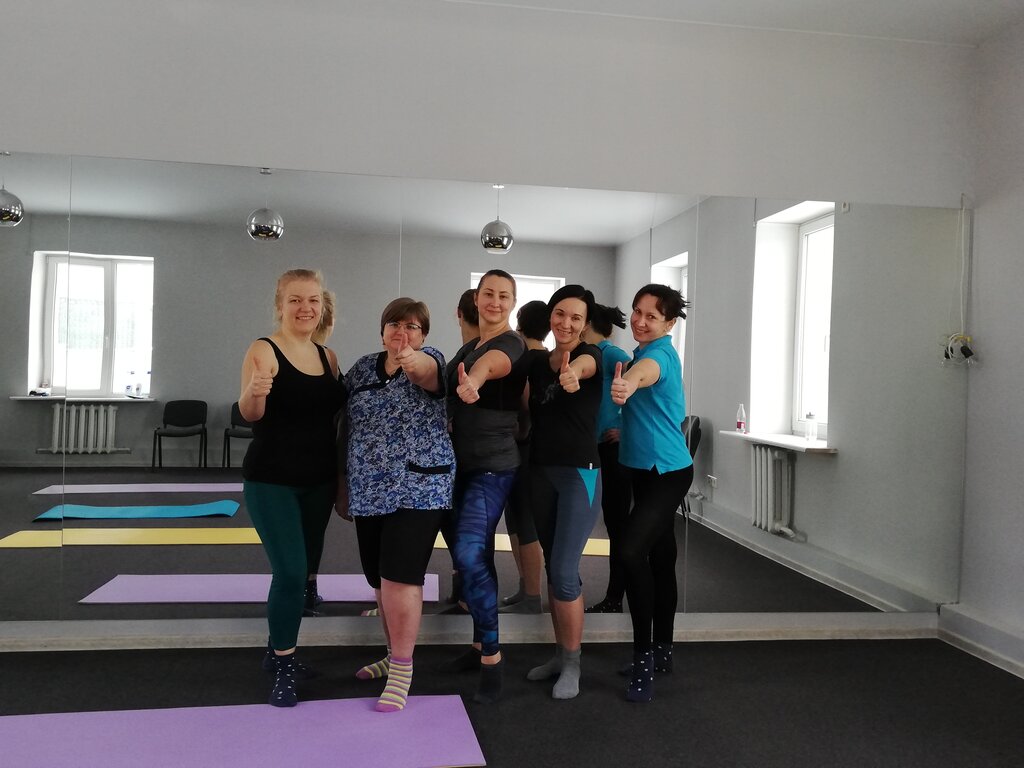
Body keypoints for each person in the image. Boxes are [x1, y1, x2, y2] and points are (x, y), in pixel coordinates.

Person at [338, 297, 454, 713]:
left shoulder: (431, 360)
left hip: (419, 487)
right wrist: (341, 484)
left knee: (401, 577)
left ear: (424, 334)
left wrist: (412, 360)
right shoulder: (361, 369)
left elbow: (426, 373)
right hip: (369, 486)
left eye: (412, 326)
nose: (402, 333)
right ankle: (392, 654)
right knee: (379, 579)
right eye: (394, 324)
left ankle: (403, 668)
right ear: (382, 329)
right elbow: (342, 422)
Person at [239, 268, 343, 707]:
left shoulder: (328, 356)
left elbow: (336, 422)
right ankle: (284, 664)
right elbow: (250, 413)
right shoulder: (264, 349)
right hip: (272, 480)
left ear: (322, 305)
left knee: (304, 571)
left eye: (313, 300)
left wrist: (342, 481)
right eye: (296, 300)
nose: (305, 308)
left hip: (318, 481)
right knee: (291, 572)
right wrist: (255, 391)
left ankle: (275, 649)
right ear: (280, 305)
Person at [444, 269, 527, 704]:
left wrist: (473, 382)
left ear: (512, 302)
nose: (495, 301)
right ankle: (479, 644)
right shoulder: (468, 345)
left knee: (467, 552)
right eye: (488, 294)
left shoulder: (509, 343)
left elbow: (492, 366)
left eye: (504, 296)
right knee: (477, 556)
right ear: (475, 299)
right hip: (457, 467)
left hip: (493, 468)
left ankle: (493, 656)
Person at [609, 283, 693, 703]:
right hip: (643, 471)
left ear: (669, 324)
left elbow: (645, 375)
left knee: (630, 553)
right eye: (637, 312)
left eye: (652, 316)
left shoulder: (658, 356)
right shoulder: (638, 352)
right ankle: (664, 650)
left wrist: (627, 386)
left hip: (667, 472)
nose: (640, 322)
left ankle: (643, 656)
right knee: (661, 558)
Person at [522, 285, 603, 700]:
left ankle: (573, 663)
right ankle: (559, 655)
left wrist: (574, 375)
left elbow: (584, 367)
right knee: (554, 570)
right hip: (540, 473)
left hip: (579, 476)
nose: (566, 323)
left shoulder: (592, 356)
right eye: (560, 314)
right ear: (550, 316)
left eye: (575, 317)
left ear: (585, 323)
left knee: (566, 571)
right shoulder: (537, 362)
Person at [499, 299, 550, 615]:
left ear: (519, 321)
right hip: (524, 449)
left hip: (528, 450)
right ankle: (524, 588)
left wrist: (519, 432)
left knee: (525, 521)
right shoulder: (543, 357)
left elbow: (529, 407)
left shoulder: (529, 359)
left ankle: (532, 595)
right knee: (515, 519)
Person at [582, 303, 632, 614]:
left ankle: (615, 597)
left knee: (616, 523)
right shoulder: (588, 354)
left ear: (587, 324)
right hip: (590, 449)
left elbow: (644, 390)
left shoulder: (611, 354)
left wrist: (625, 427)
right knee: (583, 516)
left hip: (612, 450)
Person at [302, 288, 337, 616]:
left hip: (323, 463)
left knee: (314, 531)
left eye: (314, 303)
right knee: (297, 537)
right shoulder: (271, 352)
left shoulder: (328, 358)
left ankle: (309, 587)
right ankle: (300, 586)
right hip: (284, 467)